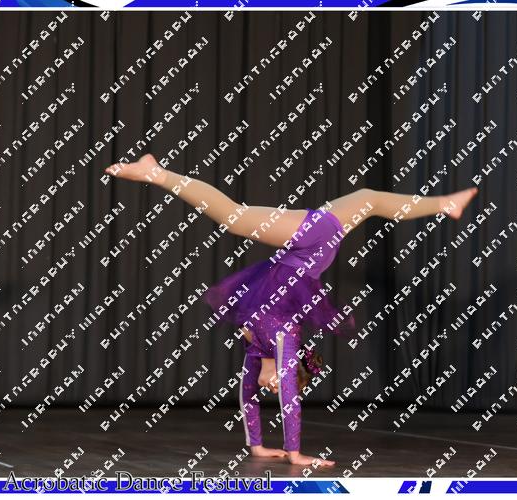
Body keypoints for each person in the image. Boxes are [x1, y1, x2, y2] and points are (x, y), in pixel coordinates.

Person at [105, 153, 478, 467]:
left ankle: (445, 204)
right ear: (291, 368)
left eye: (269, 385)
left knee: (368, 199)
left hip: (306, 251)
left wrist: (257, 447)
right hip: (312, 245)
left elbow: (247, 396)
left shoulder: (256, 349)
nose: (270, 386)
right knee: (237, 217)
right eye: (279, 383)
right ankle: (156, 172)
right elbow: (290, 399)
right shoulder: (285, 339)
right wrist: (295, 454)